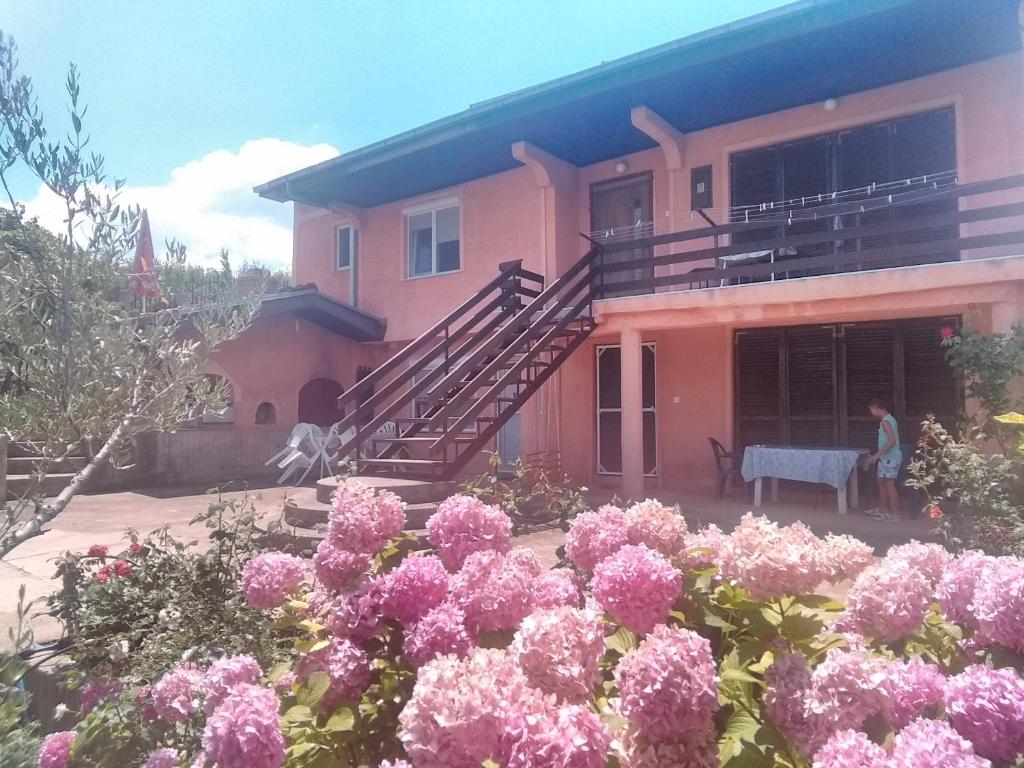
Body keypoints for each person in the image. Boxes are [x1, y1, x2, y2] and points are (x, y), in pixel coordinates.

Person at [865, 397, 902, 520]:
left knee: (890, 484)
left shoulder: (886, 421)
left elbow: (892, 441)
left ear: (875, 408)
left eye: (871, 410)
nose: (871, 412)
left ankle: (895, 514)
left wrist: (876, 455)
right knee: (881, 481)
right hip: (885, 458)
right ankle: (883, 508)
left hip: (891, 458)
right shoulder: (888, 420)